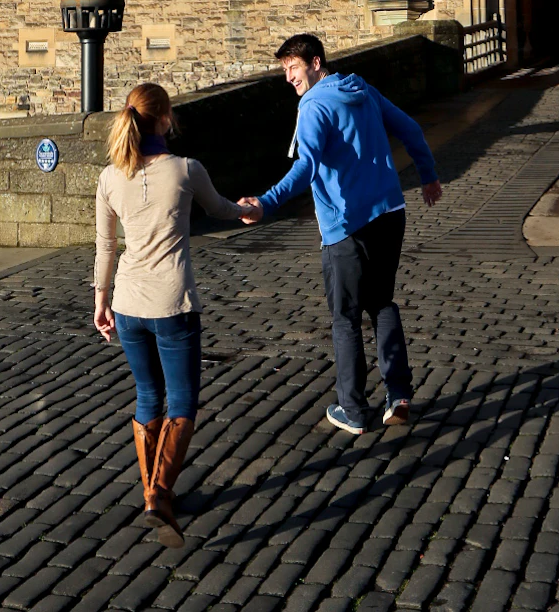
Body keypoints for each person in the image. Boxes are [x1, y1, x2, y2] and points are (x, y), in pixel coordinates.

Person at [239, 34, 442, 435]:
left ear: (316, 63)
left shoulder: (313, 105)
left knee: (346, 317)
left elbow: (307, 167)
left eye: (293, 68)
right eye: (284, 70)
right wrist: (428, 176)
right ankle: (398, 394)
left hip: (347, 226)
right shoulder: (362, 89)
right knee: (382, 302)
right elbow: (412, 129)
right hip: (390, 212)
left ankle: (352, 408)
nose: (288, 77)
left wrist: (268, 202)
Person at [93, 82, 250, 548]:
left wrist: (100, 301)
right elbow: (220, 209)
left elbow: (106, 246)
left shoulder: (108, 177)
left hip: (127, 306)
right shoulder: (185, 169)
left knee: (147, 396)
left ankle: (151, 492)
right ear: (165, 120)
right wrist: (249, 210)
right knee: (181, 400)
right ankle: (159, 494)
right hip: (172, 304)